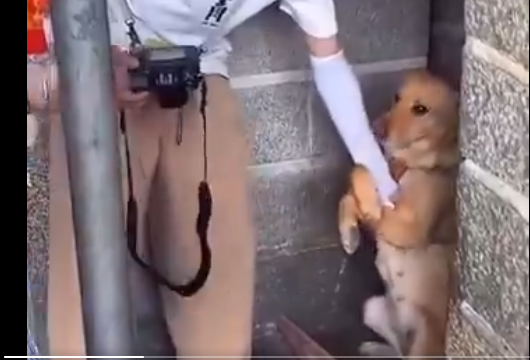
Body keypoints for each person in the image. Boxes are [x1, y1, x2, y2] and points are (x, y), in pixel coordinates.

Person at [27, 0, 397, 358]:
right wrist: (67, 81)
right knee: (80, 281)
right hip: (93, 60)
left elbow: (328, 58)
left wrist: (383, 181)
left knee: (218, 279)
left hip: (197, 71)